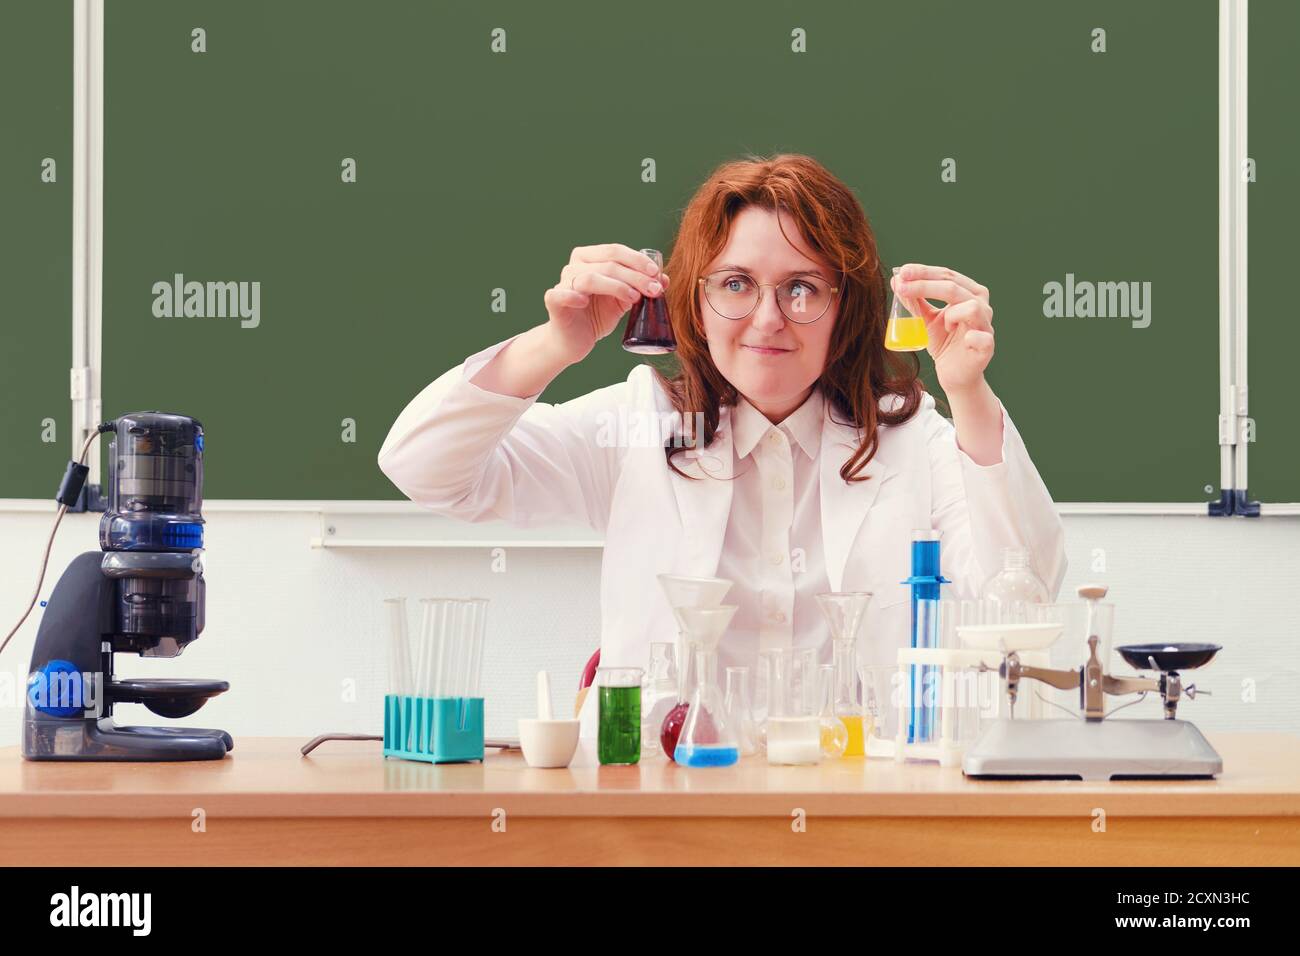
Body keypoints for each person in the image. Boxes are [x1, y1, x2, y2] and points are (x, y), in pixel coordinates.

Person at [378, 153, 1066, 737]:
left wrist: (970, 393)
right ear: (695, 305)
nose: (768, 319)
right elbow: (423, 468)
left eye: (801, 288)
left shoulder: (910, 441)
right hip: (660, 816)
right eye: (737, 284)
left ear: (845, 308)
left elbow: (1023, 600)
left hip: (856, 807)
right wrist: (556, 343)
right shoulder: (637, 427)